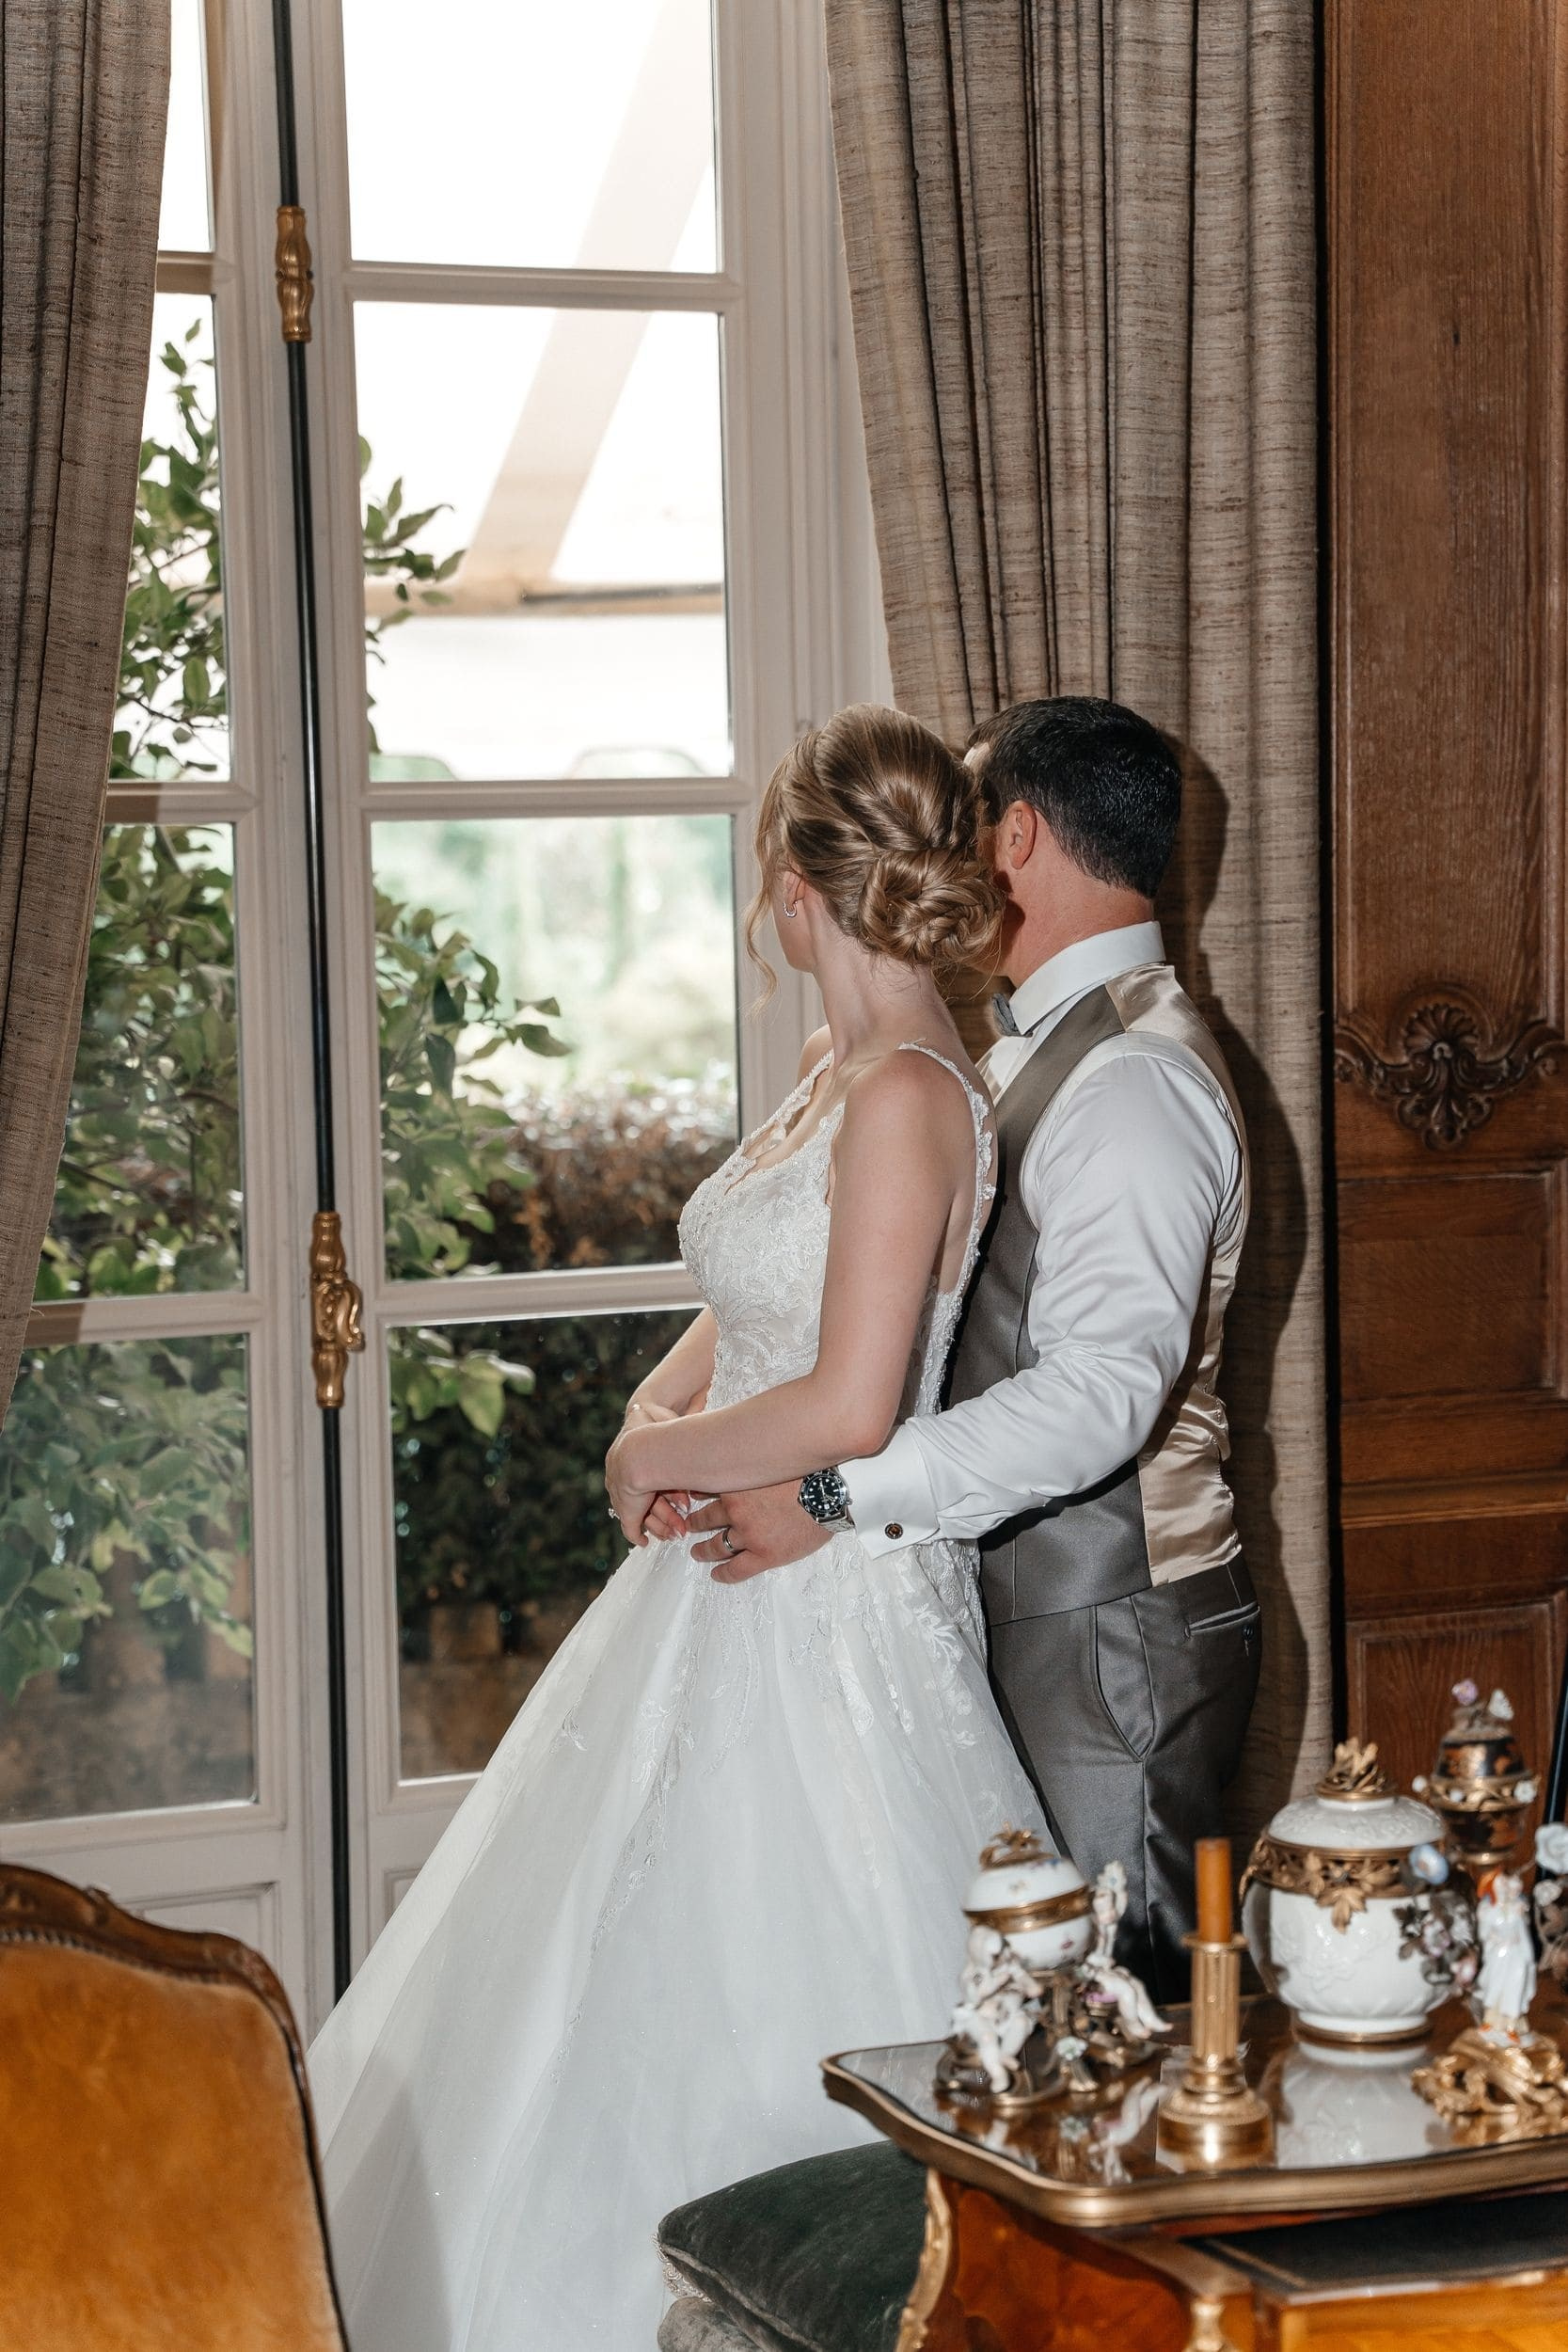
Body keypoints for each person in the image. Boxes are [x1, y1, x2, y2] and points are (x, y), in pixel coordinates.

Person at [308, 705, 1048, 2352]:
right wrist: (657, 1414)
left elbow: (856, 1401)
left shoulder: (919, 1097)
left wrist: (666, 1467)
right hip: (722, 1577)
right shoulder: (827, 1074)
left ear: (798, 879)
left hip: (831, 1604)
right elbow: (744, 1308)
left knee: (793, 1960)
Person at [686, 697, 1260, 1999]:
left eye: (961, 821)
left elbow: (1097, 1397)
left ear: (1014, 837)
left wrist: (837, 1495)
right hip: (1013, 1609)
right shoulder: (1012, 1053)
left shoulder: (1131, 1082)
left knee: (1119, 2032)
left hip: (1111, 1635)